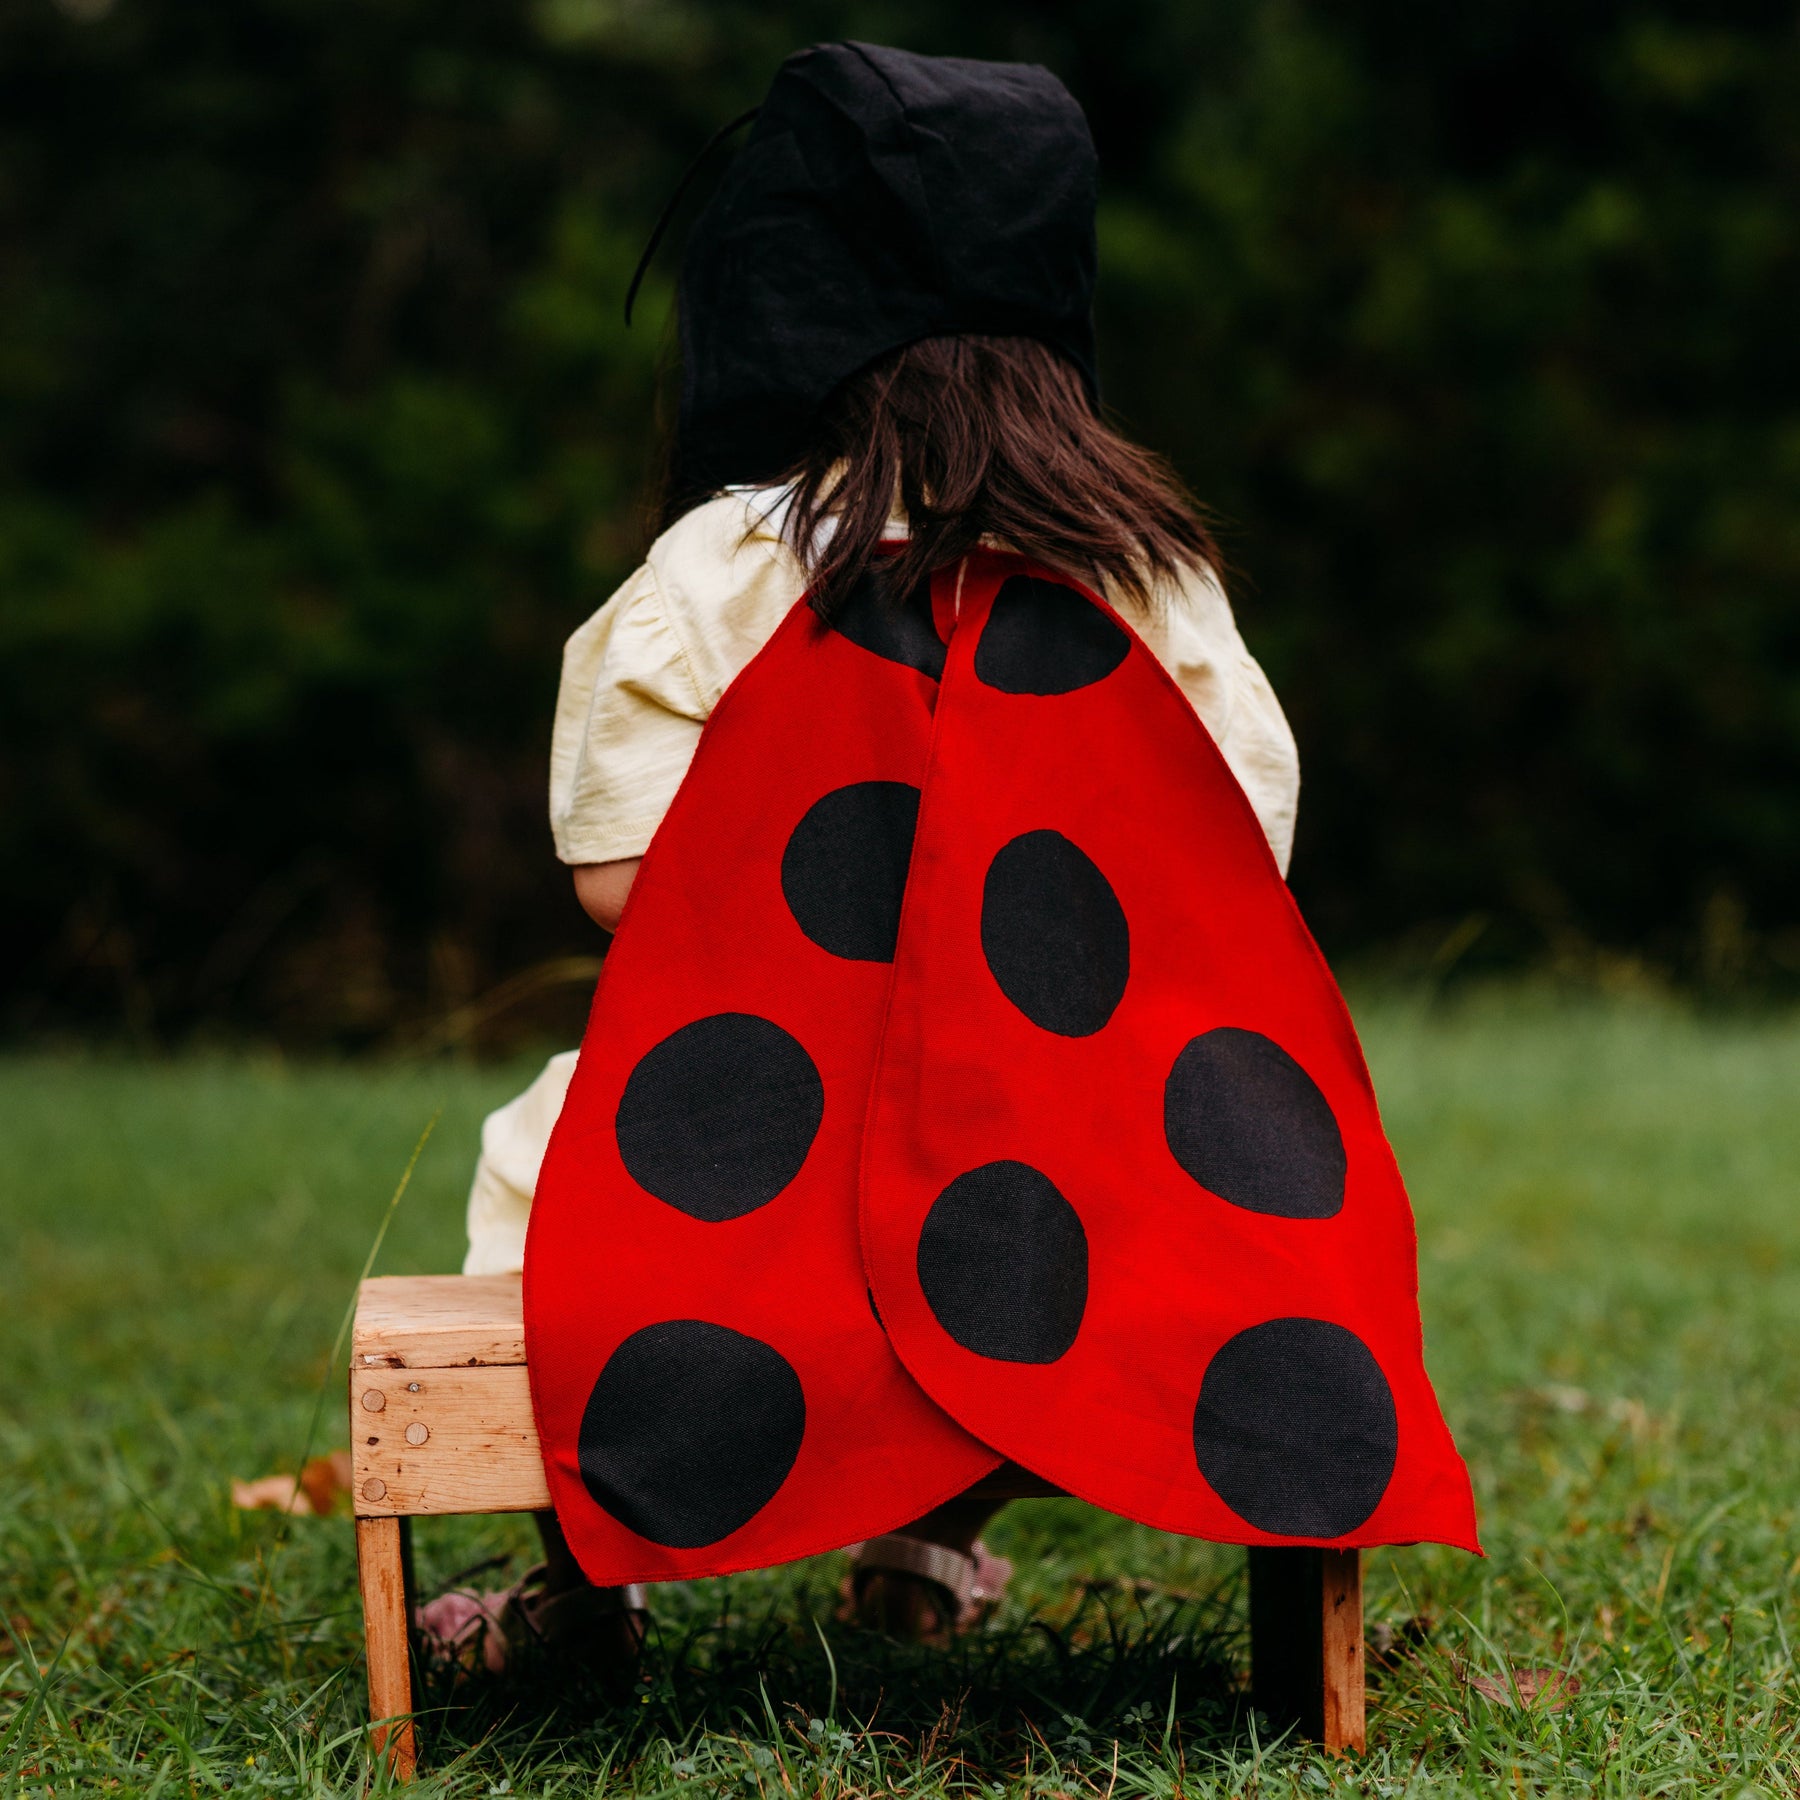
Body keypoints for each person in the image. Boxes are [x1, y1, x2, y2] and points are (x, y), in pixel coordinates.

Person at [422, 40, 1476, 1676]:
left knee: (543, 1176)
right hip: (1066, 1127)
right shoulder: (1149, 569)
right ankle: (935, 1538)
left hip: (762, 1137)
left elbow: (620, 885)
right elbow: (1236, 860)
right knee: (1061, 1215)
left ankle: (591, 1593)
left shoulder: (719, 569)